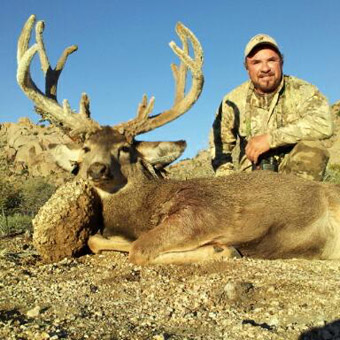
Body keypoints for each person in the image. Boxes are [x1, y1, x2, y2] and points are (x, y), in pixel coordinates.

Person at [210, 34, 333, 181]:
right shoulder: (232, 101)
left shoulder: (304, 91)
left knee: (314, 149)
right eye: (256, 62)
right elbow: (219, 148)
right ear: (247, 68)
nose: (265, 68)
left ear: (281, 62)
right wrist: (229, 183)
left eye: (271, 60)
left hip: (294, 178)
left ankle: (297, 203)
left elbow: (324, 124)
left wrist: (271, 139)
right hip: (250, 181)